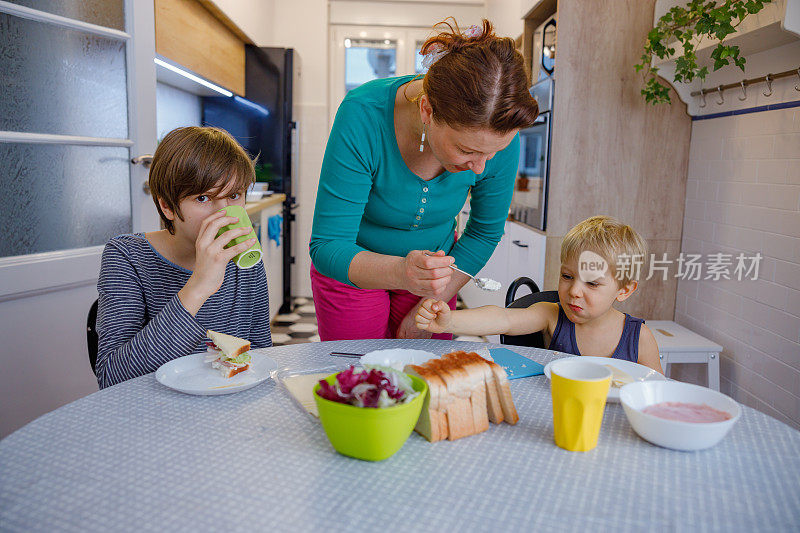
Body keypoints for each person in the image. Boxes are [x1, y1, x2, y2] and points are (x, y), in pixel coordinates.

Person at [309, 19, 540, 341]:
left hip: (436, 280)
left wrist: (429, 301)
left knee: (426, 376)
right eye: (465, 150)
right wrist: (401, 273)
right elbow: (328, 245)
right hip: (353, 268)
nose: (479, 169)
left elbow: (485, 233)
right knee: (358, 375)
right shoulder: (363, 113)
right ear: (428, 110)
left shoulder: (497, 134)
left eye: (491, 154)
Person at [95, 127, 272, 388]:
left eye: (234, 195)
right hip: (153, 414)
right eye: (203, 198)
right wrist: (199, 286)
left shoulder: (244, 259)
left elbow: (260, 356)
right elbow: (113, 378)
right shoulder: (127, 257)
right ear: (166, 206)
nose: (225, 214)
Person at [414, 216, 663, 373]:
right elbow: (503, 319)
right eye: (567, 276)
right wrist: (449, 321)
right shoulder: (552, 315)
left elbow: (656, 394)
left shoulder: (638, 337)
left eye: (592, 284)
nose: (574, 291)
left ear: (624, 290)